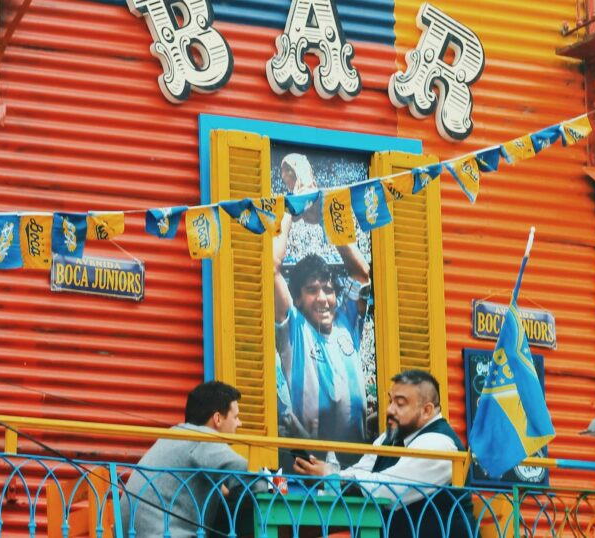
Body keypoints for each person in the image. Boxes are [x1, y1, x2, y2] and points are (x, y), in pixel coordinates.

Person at [293, 370, 475, 537]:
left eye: (400, 404)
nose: (389, 410)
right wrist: (325, 473)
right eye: (390, 401)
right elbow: (361, 471)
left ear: (426, 411)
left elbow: (387, 490)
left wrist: (330, 477)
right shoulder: (390, 438)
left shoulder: (439, 445)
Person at [274, 153, 372, 444]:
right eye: (313, 290)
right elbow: (271, 266)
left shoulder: (347, 323)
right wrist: (293, 207)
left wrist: (328, 217)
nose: (323, 298)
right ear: (298, 300)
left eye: (328, 289)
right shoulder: (294, 330)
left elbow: (362, 275)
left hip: (356, 466)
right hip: (307, 466)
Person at [119, 381, 249, 537]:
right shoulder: (202, 437)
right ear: (218, 419)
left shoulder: (177, 436)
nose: (239, 423)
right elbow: (239, 467)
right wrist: (266, 488)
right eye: (235, 417)